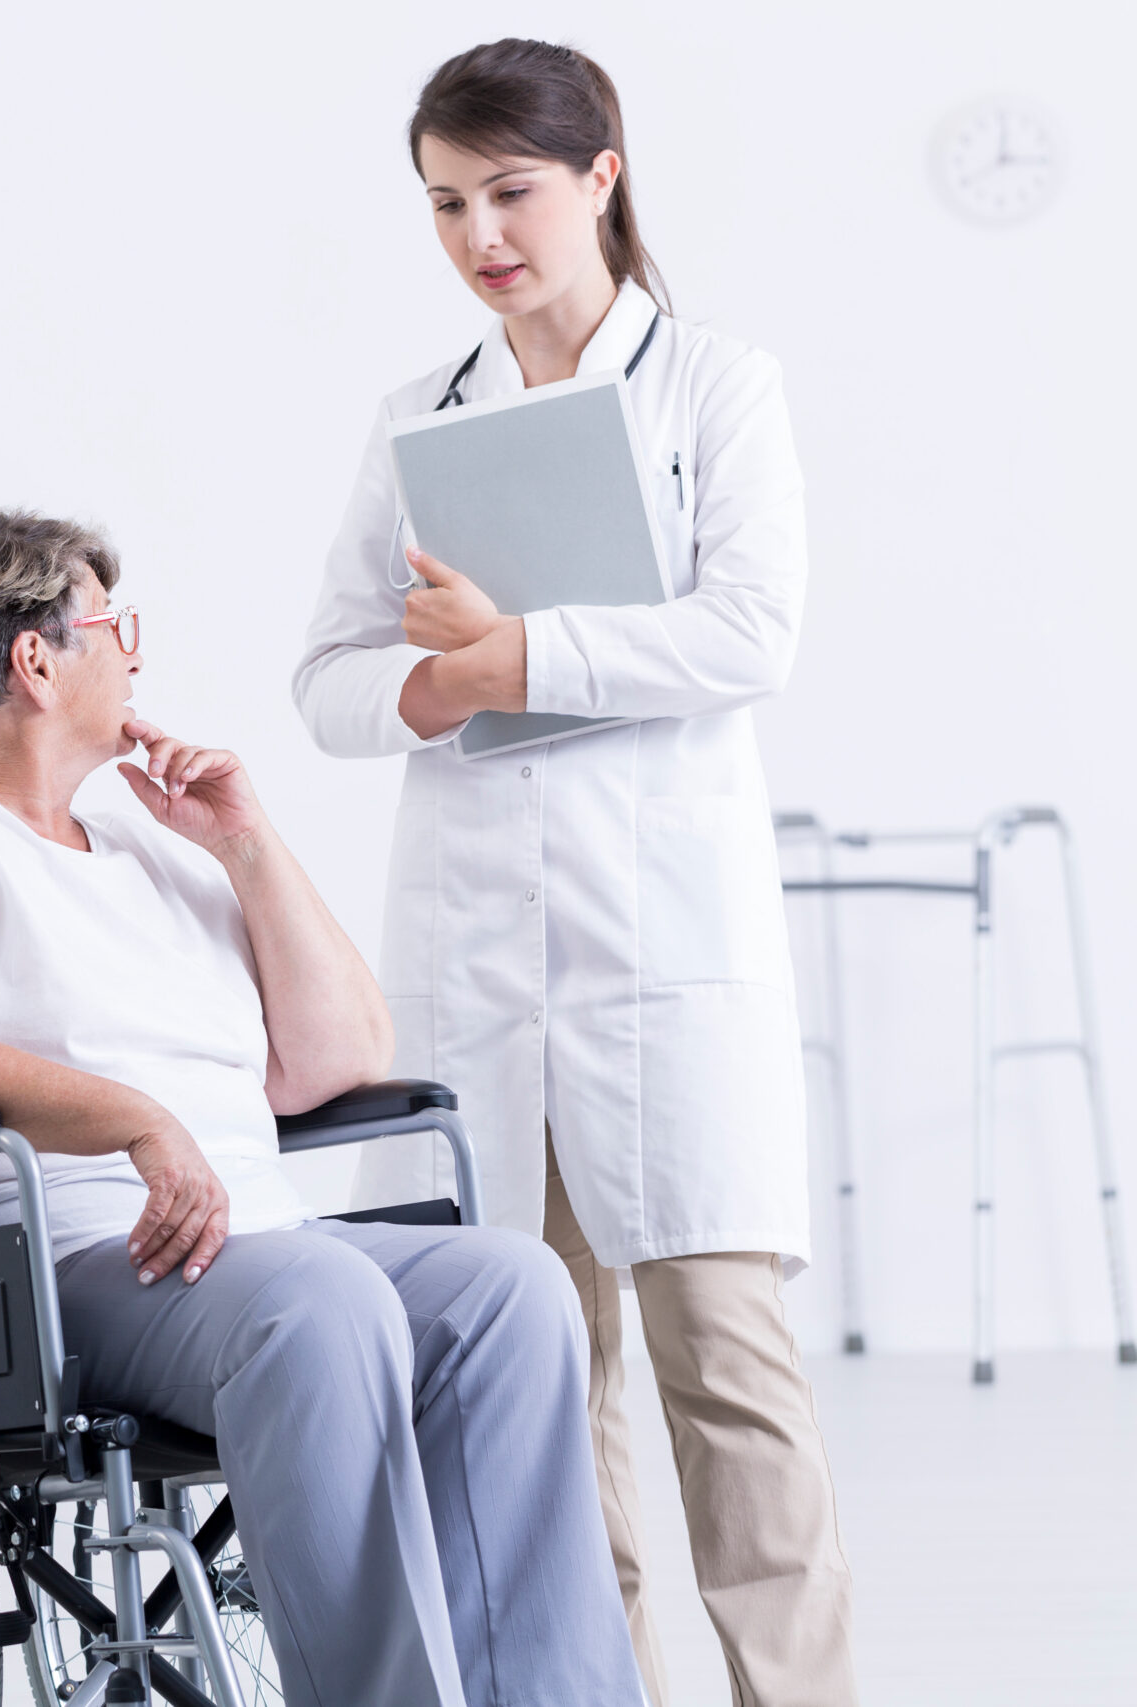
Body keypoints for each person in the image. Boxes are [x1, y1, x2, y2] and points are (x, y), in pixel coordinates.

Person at [0, 510, 645, 1706]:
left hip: (231, 1247)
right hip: (26, 1260)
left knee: (509, 1287)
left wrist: (248, 844)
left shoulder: (144, 838)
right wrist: (133, 1119)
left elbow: (336, 1059)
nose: (135, 655)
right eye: (115, 627)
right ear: (36, 659)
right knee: (318, 1301)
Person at [294, 39, 854, 1707]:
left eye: (510, 192)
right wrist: (434, 688)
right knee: (539, 1396)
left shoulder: (717, 386)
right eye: (447, 204)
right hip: (479, 969)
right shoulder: (419, 419)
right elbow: (325, 679)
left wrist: (514, 653)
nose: (482, 236)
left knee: (730, 1381)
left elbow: (751, 634)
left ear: (602, 172)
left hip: (668, 966)